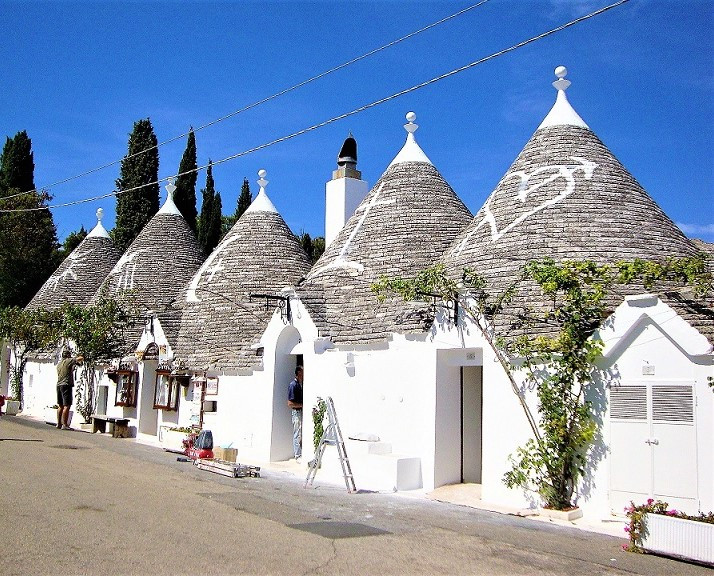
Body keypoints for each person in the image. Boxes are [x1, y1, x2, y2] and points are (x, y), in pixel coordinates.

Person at [56, 350, 83, 430]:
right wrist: (80, 355)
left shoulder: (59, 364)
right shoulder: (68, 361)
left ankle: (59, 424)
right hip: (66, 385)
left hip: (59, 385)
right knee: (67, 405)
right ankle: (65, 424)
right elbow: (80, 358)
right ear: (68, 356)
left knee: (60, 405)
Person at [287, 365, 303, 460]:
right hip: (296, 412)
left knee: (300, 433)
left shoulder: (300, 385)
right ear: (299, 373)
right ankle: (298, 455)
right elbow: (290, 403)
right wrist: (302, 405)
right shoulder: (293, 385)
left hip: (300, 412)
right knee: (297, 433)